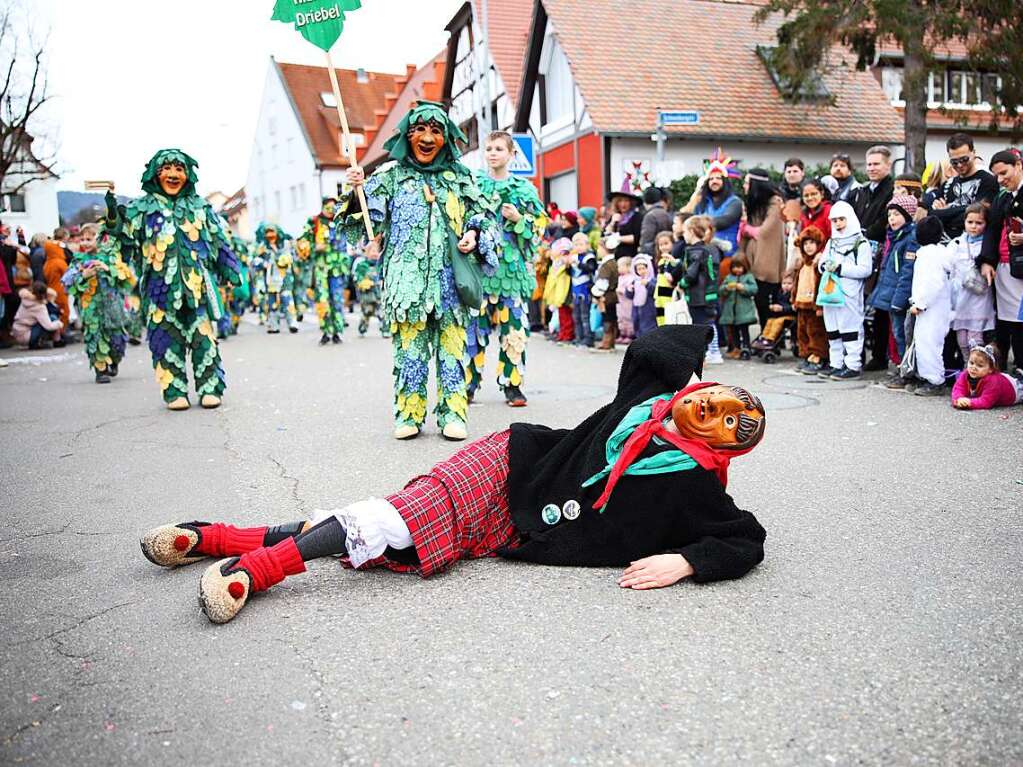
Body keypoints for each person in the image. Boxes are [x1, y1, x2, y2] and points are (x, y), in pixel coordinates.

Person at [137, 325, 768, 624]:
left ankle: (218, 537)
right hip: (510, 464)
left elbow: (747, 539)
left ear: (726, 450)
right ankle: (259, 570)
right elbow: (656, 348)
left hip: (519, 532)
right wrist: (700, 354)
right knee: (398, 519)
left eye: (729, 422)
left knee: (394, 541)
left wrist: (686, 563)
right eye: (715, 397)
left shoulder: (696, 486)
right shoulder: (647, 400)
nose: (712, 410)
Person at [341, 101, 499, 441]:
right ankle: (409, 414)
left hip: (450, 283)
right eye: (420, 130)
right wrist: (356, 190)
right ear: (407, 136)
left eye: (436, 131)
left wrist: (473, 233)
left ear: (446, 138)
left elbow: (484, 216)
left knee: (453, 351)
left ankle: (453, 414)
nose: (427, 138)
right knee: (410, 352)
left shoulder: (461, 177)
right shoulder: (391, 177)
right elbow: (369, 220)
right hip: (406, 284)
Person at [98, 150, 242, 410]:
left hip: (196, 287)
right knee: (165, 338)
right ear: (155, 172)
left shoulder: (200, 207)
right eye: (167, 169)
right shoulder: (141, 208)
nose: (174, 175)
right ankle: (174, 389)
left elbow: (219, 239)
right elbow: (120, 237)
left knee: (203, 337)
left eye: (179, 169)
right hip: (158, 290)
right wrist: (112, 216)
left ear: (188, 174)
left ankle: (210, 387)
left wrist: (229, 267)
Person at [467, 131, 544, 407]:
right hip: (479, 270)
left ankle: (512, 386)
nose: (492, 153)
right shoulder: (473, 185)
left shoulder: (524, 190)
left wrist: (519, 218)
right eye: (489, 148)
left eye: (499, 148)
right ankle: (469, 384)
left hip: (511, 275)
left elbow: (539, 229)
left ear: (512, 154)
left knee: (514, 332)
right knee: (474, 331)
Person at [61, 223, 136, 383]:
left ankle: (114, 360)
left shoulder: (111, 257)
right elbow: (67, 282)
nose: (85, 242)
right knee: (95, 337)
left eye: (89, 239)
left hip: (113, 307)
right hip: (91, 309)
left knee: (117, 339)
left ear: (101, 239)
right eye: (82, 239)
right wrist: (84, 276)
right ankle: (100, 370)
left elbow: (127, 277)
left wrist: (108, 269)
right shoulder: (78, 261)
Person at [817, 201, 872, 380]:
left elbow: (865, 269)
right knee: (833, 330)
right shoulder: (832, 242)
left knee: (850, 330)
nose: (838, 224)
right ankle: (836, 363)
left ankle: (853, 365)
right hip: (831, 291)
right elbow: (822, 262)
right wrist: (825, 265)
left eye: (842, 219)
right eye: (834, 220)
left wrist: (840, 268)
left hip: (849, 293)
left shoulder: (861, 242)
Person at [979, 149, 1023, 372]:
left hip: (1020, 268)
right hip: (1005, 268)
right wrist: (987, 260)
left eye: (1004, 173)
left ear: (1018, 165)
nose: (1001, 179)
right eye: (997, 175)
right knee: (1007, 322)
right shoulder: (1002, 197)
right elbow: (992, 231)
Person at [870, 194, 919, 382]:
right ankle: (902, 369)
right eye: (890, 215)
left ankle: (907, 373)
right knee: (898, 334)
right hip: (891, 295)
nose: (892, 219)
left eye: (897, 215)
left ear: (907, 215)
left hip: (900, 298)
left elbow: (907, 273)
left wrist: (898, 300)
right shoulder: (895, 237)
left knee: (903, 336)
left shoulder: (910, 238)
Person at [906, 216, 955, 396]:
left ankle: (935, 380)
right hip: (939, 307)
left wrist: (920, 304)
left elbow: (932, 283)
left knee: (928, 343)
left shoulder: (928, 256)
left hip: (930, 308)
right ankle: (928, 376)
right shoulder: (939, 253)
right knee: (930, 342)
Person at [923, 133, 999, 239]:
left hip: (975, 245)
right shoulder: (948, 185)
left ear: (974, 153)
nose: (959, 165)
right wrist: (964, 209)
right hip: (947, 245)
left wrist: (944, 212)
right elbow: (931, 215)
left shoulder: (987, 181)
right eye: (954, 162)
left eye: (964, 159)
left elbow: (980, 214)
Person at [671, 215, 722, 364]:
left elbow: (691, 274)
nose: (683, 234)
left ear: (692, 231)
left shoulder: (694, 251)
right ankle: (706, 354)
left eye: (685, 231)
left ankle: (702, 357)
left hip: (697, 296)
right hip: (707, 295)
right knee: (705, 324)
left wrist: (681, 284)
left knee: (698, 327)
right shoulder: (706, 250)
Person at [739, 169, 786, 328]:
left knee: (767, 301)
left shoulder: (774, 202)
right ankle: (765, 335)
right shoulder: (752, 203)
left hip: (767, 261)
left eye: (747, 182)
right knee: (760, 301)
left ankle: (771, 336)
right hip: (752, 259)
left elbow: (764, 231)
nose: (744, 186)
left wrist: (748, 229)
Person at [298, 197, 347, 345]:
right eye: (329, 207)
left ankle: (337, 331)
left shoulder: (340, 221)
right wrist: (314, 248)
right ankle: (326, 331)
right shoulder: (314, 222)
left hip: (337, 268)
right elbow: (302, 244)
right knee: (322, 299)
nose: (332, 210)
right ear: (324, 207)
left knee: (337, 299)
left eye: (334, 207)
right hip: (321, 268)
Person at [950, 203, 995, 362]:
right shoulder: (957, 243)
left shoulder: (988, 245)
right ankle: (966, 367)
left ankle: (978, 368)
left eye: (979, 223)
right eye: (970, 222)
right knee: (961, 338)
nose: (974, 227)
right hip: (960, 298)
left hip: (979, 297)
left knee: (975, 338)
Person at [684, 159, 742, 256]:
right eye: (711, 179)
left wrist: (700, 223)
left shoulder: (735, 202)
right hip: (705, 252)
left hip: (728, 253)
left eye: (718, 178)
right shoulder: (703, 202)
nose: (714, 181)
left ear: (725, 181)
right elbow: (688, 216)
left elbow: (726, 220)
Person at [791, 227, 829, 374]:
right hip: (801, 304)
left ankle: (818, 356)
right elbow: (796, 283)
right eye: (805, 244)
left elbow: (822, 285)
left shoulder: (818, 263)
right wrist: (794, 299)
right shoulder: (802, 263)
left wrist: (819, 305)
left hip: (813, 306)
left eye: (812, 243)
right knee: (802, 332)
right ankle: (807, 355)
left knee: (816, 332)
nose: (808, 247)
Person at [254, 224, 298, 335]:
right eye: (267, 233)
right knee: (272, 302)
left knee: (287, 299)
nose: (270, 235)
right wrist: (263, 263)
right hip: (270, 279)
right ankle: (274, 325)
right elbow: (255, 260)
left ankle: (292, 323)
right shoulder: (263, 246)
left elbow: (293, 256)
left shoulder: (285, 244)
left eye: (272, 232)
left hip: (285, 277)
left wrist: (286, 259)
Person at [951, 344, 1023, 409]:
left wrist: (969, 403)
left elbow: (986, 401)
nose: (973, 367)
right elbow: (958, 389)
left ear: (991, 369)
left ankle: (1020, 376)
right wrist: (959, 399)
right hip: (1003, 379)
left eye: (980, 365)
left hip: (1015, 390)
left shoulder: (993, 381)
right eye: (971, 363)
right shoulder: (965, 374)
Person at [720, 255, 757, 357]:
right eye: (735, 267)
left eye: (740, 267)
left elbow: (754, 289)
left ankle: (746, 347)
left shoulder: (748, 276)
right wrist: (726, 288)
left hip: (743, 312)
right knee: (734, 331)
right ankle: (736, 348)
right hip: (731, 312)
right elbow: (721, 290)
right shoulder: (729, 277)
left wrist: (744, 288)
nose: (737, 270)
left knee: (744, 331)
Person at [751, 271, 795, 352]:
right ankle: (764, 337)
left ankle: (770, 339)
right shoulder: (780, 293)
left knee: (777, 322)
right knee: (770, 321)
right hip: (779, 314)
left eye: (789, 283)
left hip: (789, 315)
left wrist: (782, 308)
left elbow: (793, 307)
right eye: (784, 283)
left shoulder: (793, 295)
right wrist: (773, 306)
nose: (786, 286)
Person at [11, 281, 63, 348]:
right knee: (53, 318)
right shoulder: (39, 307)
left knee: (49, 319)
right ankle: (54, 341)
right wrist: (60, 324)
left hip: (17, 331)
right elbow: (49, 326)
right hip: (27, 336)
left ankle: (53, 341)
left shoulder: (26, 298)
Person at [569, 232, 597, 348]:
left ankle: (588, 338)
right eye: (576, 245)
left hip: (585, 289)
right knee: (577, 315)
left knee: (585, 315)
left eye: (581, 244)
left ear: (587, 245)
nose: (578, 247)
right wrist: (568, 265)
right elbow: (570, 273)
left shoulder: (589, 257)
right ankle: (579, 337)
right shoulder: (574, 257)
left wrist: (579, 264)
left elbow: (591, 268)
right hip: (575, 289)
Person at [351, 249, 388, 338]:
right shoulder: (362, 265)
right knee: (366, 312)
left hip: (379, 294)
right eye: (372, 251)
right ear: (367, 253)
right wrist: (363, 283)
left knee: (382, 313)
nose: (375, 253)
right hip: (367, 295)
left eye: (376, 251)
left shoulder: (380, 265)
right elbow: (357, 278)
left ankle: (385, 330)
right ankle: (362, 329)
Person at [590, 239, 619, 351]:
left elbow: (603, 282)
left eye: (599, 248)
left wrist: (596, 293)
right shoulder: (613, 263)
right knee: (612, 317)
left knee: (607, 318)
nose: (598, 250)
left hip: (606, 296)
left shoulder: (607, 265)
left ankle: (607, 341)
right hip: (612, 295)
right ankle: (611, 341)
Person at [544, 237, 574, 343]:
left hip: (565, 292)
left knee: (566, 314)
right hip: (557, 293)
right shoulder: (555, 264)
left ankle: (567, 334)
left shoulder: (567, 264)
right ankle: (561, 333)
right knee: (561, 314)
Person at [604, 185, 644, 260]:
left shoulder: (637, 217)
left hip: (631, 255)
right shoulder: (615, 216)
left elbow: (637, 237)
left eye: (626, 201)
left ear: (631, 202)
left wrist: (618, 238)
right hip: (615, 256)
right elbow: (605, 234)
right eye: (620, 201)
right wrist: (612, 222)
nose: (623, 204)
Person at [42, 238, 70, 339]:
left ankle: (57, 335)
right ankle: (61, 334)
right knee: (64, 312)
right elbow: (68, 275)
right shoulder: (59, 262)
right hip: (61, 289)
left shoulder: (47, 263)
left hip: (51, 290)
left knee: (56, 312)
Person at [627, 254, 657, 339]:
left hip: (649, 310)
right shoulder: (635, 281)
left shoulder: (652, 280)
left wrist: (647, 285)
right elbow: (629, 296)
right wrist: (630, 290)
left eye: (643, 268)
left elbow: (655, 291)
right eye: (639, 269)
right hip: (637, 309)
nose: (641, 271)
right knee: (637, 327)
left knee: (648, 329)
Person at [653, 231, 680, 327]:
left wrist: (672, 261)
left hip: (668, 293)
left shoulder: (673, 260)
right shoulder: (660, 261)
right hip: (659, 294)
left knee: (669, 316)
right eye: (660, 245)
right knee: (660, 316)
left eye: (666, 243)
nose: (663, 247)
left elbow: (675, 271)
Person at [639, 187, 672, 255]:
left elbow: (646, 242)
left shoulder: (650, 216)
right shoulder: (667, 213)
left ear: (645, 201)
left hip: (654, 256)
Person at [615, 256, 635, 344]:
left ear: (628, 267)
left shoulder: (631, 278)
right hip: (620, 302)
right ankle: (622, 334)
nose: (618, 268)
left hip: (628, 302)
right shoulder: (620, 278)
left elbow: (630, 290)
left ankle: (630, 335)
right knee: (620, 318)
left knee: (628, 318)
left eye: (620, 266)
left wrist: (621, 290)